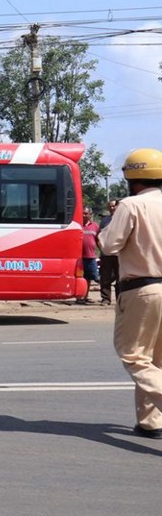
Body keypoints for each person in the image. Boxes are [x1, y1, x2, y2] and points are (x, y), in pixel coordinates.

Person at [97, 149, 162, 439]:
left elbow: (109, 246)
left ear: (131, 177)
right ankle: (150, 422)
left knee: (134, 355)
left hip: (142, 290)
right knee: (156, 360)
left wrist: (112, 221)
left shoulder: (131, 205)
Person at [98, 199, 119, 306]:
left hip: (119, 254)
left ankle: (120, 299)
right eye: (110, 206)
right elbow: (99, 236)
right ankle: (105, 299)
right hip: (106, 254)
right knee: (105, 278)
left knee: (120, 278)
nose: (112, 208)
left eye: (114, 206)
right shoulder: (104, 221)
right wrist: (101, 248)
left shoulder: (122, 220)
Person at [79, 206, 100, 303]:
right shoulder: (77, 226)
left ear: (90, 215)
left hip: (91, 257)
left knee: (90, 278)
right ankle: (79, 297)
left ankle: (85, 296)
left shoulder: (95, 226)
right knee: (80, 278)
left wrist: (103, 252)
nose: (84, 215)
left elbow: (99, 240)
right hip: (79, 258)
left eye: (86, 213)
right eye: (82, 213)